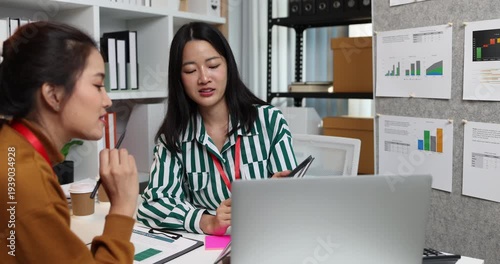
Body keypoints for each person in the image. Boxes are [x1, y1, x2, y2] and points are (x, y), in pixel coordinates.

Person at [137, 22, 297, 235]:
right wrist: (207, 221)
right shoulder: (174, 137)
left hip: (267, 236)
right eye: (190, 70)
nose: (204, 78)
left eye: (213, 66)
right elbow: (151, 206)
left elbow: (295, 198)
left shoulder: (269, 121)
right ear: (179, 79)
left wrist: (281, 191)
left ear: (228, 66)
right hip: (208, 249)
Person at [0, 22, 138, 263]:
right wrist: (124, 206)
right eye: (97, 85)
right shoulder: (26, 180)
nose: (107, 101)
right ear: (53, 95)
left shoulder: (12, 149)